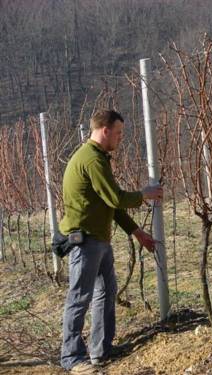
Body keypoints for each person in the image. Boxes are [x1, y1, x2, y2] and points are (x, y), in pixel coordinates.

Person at [58, 109, 162, 374]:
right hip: (85, 241)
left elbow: (110, 206)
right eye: (118, 133)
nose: (120, 138)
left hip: (97, 240)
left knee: (105, 292)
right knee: (80, 297)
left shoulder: (96, 158)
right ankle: (72, 358)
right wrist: (143, 195)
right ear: (105, 130)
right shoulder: (93, 160)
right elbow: (115, 198)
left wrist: (137, 232)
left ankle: (100, 350)